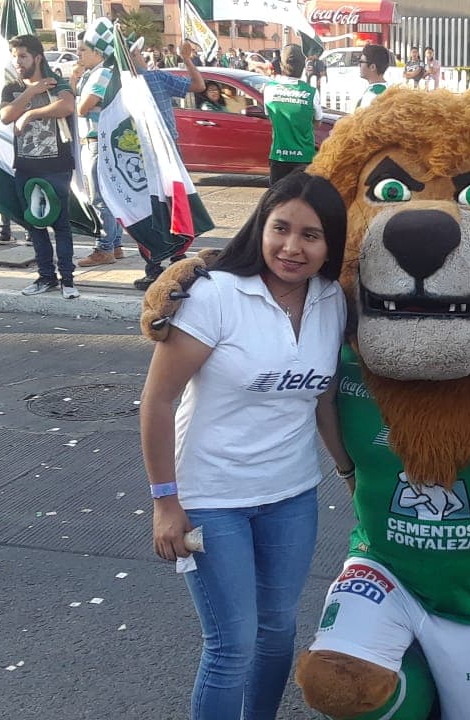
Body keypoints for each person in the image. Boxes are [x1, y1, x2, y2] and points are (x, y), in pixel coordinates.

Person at [142, 171, 353, 720]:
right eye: (280, 228)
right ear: (260, 225)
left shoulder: (332, 300)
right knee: (231, 645)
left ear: (331, 243)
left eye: (311, 235)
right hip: (211, 497)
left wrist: (348, 469)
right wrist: (166, 502)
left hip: (290, 494)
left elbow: (323, 397)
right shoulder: (216, 296)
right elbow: (157, 402)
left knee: (277, 632)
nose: (292, 247)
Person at [0, 34, 79, 299]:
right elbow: (6, 116)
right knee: (35, 224)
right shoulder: (12, 88)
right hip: (25, 166)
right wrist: (31, 92)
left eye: (23, 56)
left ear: (37, 57)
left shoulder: (55, 82)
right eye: (15, 56)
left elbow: (67, 105)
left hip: (56, 166)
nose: (18, 61)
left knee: (60, 224)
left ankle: (68, 279)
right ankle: (46, 277)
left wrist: (32, 113)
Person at [127, 38, 206, 290]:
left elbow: (197, 85)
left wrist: (186, 59)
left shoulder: (134, 83)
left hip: (145, 155)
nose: (142, 57)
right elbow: (198, 84)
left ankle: (159, 266)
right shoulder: (152, 79)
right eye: (138, 53)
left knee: (153, 208)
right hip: (160, 153)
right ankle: (173, 261)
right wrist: (186, 58)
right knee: (172, 207)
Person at [72, 21, 124, 268]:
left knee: (100, 198)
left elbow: (82, 107)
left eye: (83, 50)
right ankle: (114, 244)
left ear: (98, 52)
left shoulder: (102, 73)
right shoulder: (96, 73)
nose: (79, 54)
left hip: (97, 142)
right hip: (97, 141)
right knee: (106, 197)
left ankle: (105, 247)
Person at [263, 45, 322, 186]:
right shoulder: (312, 92)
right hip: (304, 157)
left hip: (279, 157)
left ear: (281, 66)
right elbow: (317, 122)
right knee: (304, 201)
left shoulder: (269, 90)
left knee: (277, 202)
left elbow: (270, 117)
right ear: (303, 67)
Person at [355, 44, 390, 110]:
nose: (359, 65)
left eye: (361, 62)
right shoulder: (387, 89)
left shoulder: (372, 95)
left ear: (372, 67)